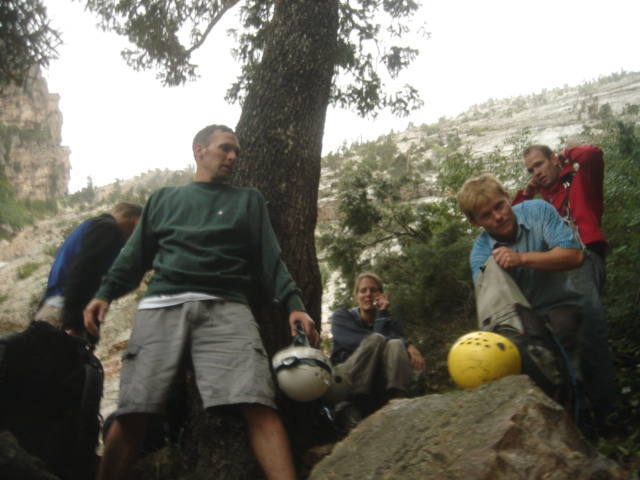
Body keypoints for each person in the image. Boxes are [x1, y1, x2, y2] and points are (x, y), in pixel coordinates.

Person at [83, 124, 318, 480]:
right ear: (200, 149)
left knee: (259, 404)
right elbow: (133, 257)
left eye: (235, 151)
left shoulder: (248, 200)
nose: (233, 157)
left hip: (226, 306)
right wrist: (104, 294)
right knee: (133, 411)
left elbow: (270, 259)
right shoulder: (163, 199)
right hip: (161, 305)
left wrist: (294, 303)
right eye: (225, 148)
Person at [457, 174, 585, 404]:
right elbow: (490, 305)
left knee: (564, 330)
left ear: (508, 198)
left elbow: (574, 256)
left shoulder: (538, 211)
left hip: (559, 303)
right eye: (486, 215)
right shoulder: (480, 255)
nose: (498, 216)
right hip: (521, 322)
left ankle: (586, 408)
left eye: (499, 206)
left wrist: (522, 259)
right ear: (475, 223)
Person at [514, 144, 616, 423]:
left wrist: (566, 154)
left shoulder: (580, 183)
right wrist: (529, 191)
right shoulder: (540, 203)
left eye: (540, 164)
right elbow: (510, 220)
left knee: (588, 329)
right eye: (531, 169)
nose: (537, 172)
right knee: (560, 336)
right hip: (556, 268)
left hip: (583, 257)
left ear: (554, 160)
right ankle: (579, 409)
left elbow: (593, 154)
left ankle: (608, 411)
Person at [327, 272, 425, 432]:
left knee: (395, 344)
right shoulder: (342, 317)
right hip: (347, 383)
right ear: (356, 295)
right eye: (363, 290)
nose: (368, 295)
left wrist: (402, 342)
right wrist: (407, 343)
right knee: (377, 340)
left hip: (377, 385)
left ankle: (397, 402)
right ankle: (351, 409)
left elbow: (394, 344)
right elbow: (360, 341)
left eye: (373, 290)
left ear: (381, 295)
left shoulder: (390, 322)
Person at [34, 201, 142, 338]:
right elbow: (83, 272)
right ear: (134, 220)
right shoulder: (109, 229)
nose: (135, 236)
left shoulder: (88, 226)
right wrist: (72, 323)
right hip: (66, 310)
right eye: (138, 228)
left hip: (52, 304)